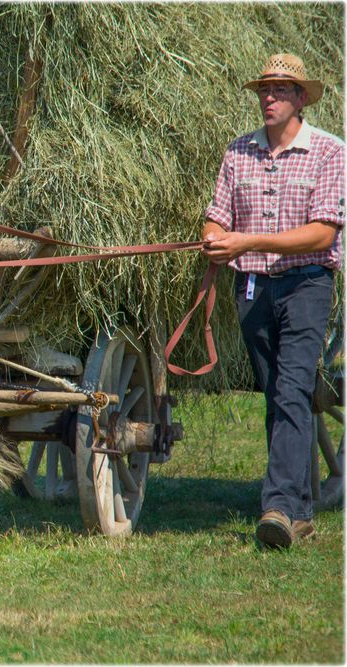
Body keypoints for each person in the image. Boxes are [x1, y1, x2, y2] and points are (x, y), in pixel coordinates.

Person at [202, 53, 344, 548]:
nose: (269, 97)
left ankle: (279, 507)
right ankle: (299, 507)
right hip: (253, 289)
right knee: (278, 392)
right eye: (264, 89)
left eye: (280, 90)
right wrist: (216, 237)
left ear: (301, 98)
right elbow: (217, 215)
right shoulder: (237, 153)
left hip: (306, 284)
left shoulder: (328, 152)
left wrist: (246, 242)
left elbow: (322, 234)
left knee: (290, 389)